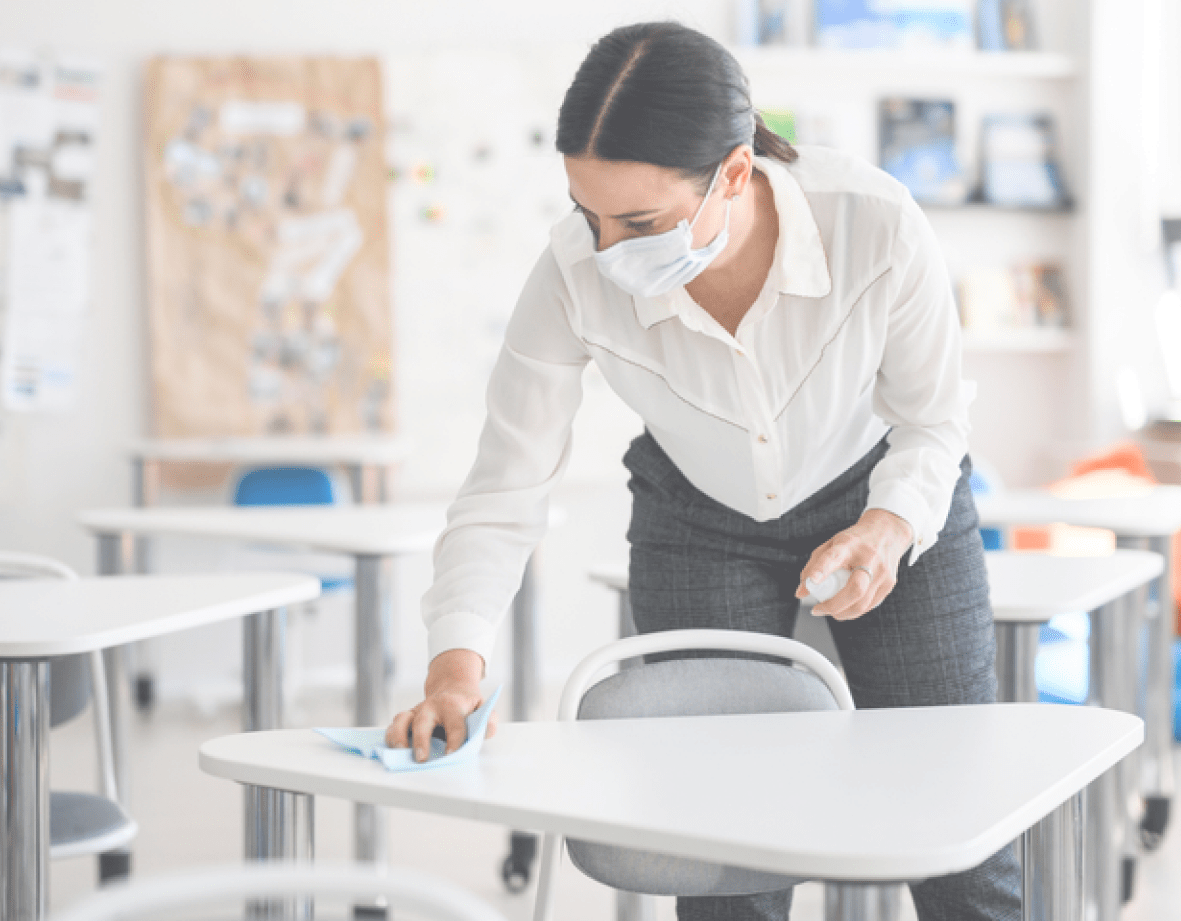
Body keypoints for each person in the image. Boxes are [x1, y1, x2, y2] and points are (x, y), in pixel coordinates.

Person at [385, 20, 1017, 921]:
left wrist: (889, 526)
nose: (606, 248)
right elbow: (505, 484)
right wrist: (456, 665)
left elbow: (933, 416)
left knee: (963, 843)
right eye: (586, 213)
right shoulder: (571, 274)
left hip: (887, 496)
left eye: (637, 223)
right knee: (722, 860)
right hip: (699, 518)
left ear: (734, 171)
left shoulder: (872, 222)